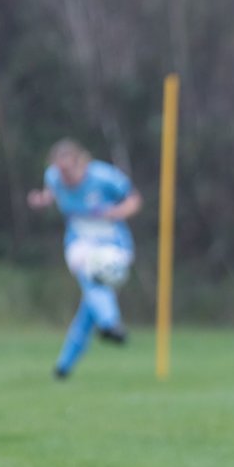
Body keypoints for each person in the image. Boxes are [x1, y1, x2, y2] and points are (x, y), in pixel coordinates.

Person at [27, 140, 141, 379]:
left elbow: (134, 200)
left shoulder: (104, 177)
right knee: (92, 277)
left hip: (113, 243)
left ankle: (64, 366)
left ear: (81, 163)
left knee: (90, 308)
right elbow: (51, 192)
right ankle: (110, 324)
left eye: (68, 170)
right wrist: (42, 200)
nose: (64, 176)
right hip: (79, 242)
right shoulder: (54, 177)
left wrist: (116, 212)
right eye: (60, 170)